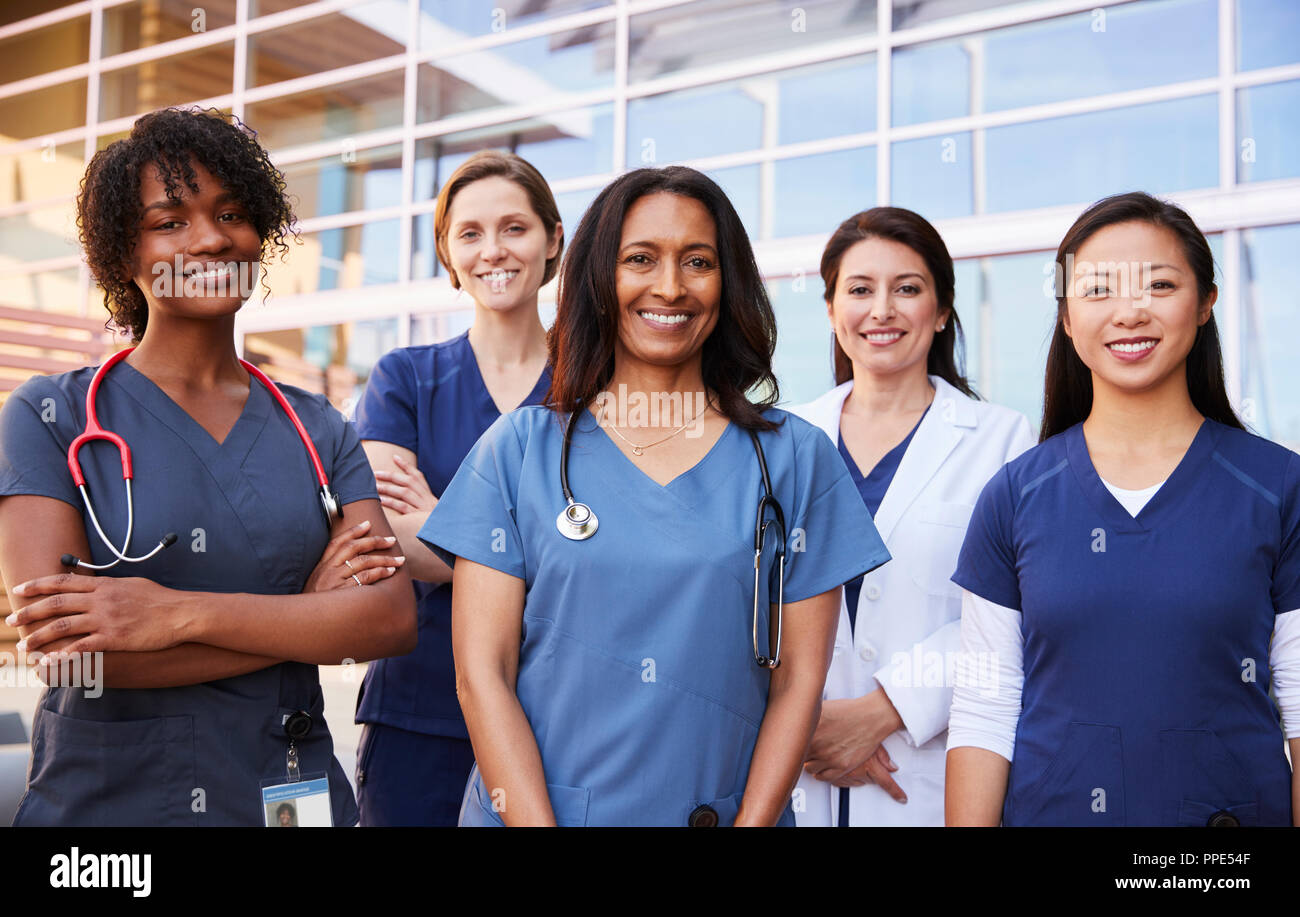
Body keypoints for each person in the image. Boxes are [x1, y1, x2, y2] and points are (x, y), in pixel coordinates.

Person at [419, 165, 891, 826]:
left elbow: (797, 683)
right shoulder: (520, 450)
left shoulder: (793, 457)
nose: (670, 286)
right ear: (599, 279)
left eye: (697, 261)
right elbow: (483, 676)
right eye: (640, 258)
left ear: (727, 281)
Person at [0, 107, 416, 827]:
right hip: (112, 812)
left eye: (231, 213)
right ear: (122, 254)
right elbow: (72, 658)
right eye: (171, 221)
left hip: (290, 794)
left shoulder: (317, 425)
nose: (213, 238)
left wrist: (170, 613)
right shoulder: (51, 416)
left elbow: (386, 619)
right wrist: (307, 616)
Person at [946, 191, 1300, 826]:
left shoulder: (1278, 486)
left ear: (1205, 304)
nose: (1130, 312)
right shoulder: (1015, 495)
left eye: (1160, 285)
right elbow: (986, 706)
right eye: (1099, 289)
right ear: (1066, 317)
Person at [790, 208, 1032, 827]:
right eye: (860, 289)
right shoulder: (779, 440)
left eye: (907, 289)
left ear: (943, 310)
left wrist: (883, 710)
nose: (882, 311)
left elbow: (1012, 613)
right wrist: (808, 727)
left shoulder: (1002, 440)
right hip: (794, 771)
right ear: (829, 309)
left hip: (923, 776)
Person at [351, 150, 562, 826]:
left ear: (553, 239)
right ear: (446, 250)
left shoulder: (595, 391)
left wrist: (445, 522)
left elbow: (611, 558)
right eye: (469, 233)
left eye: (514, 228)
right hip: (420, 717)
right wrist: (533, 547)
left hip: (560, 718)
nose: (492, 250)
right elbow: (381, 539)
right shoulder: (403, 379)